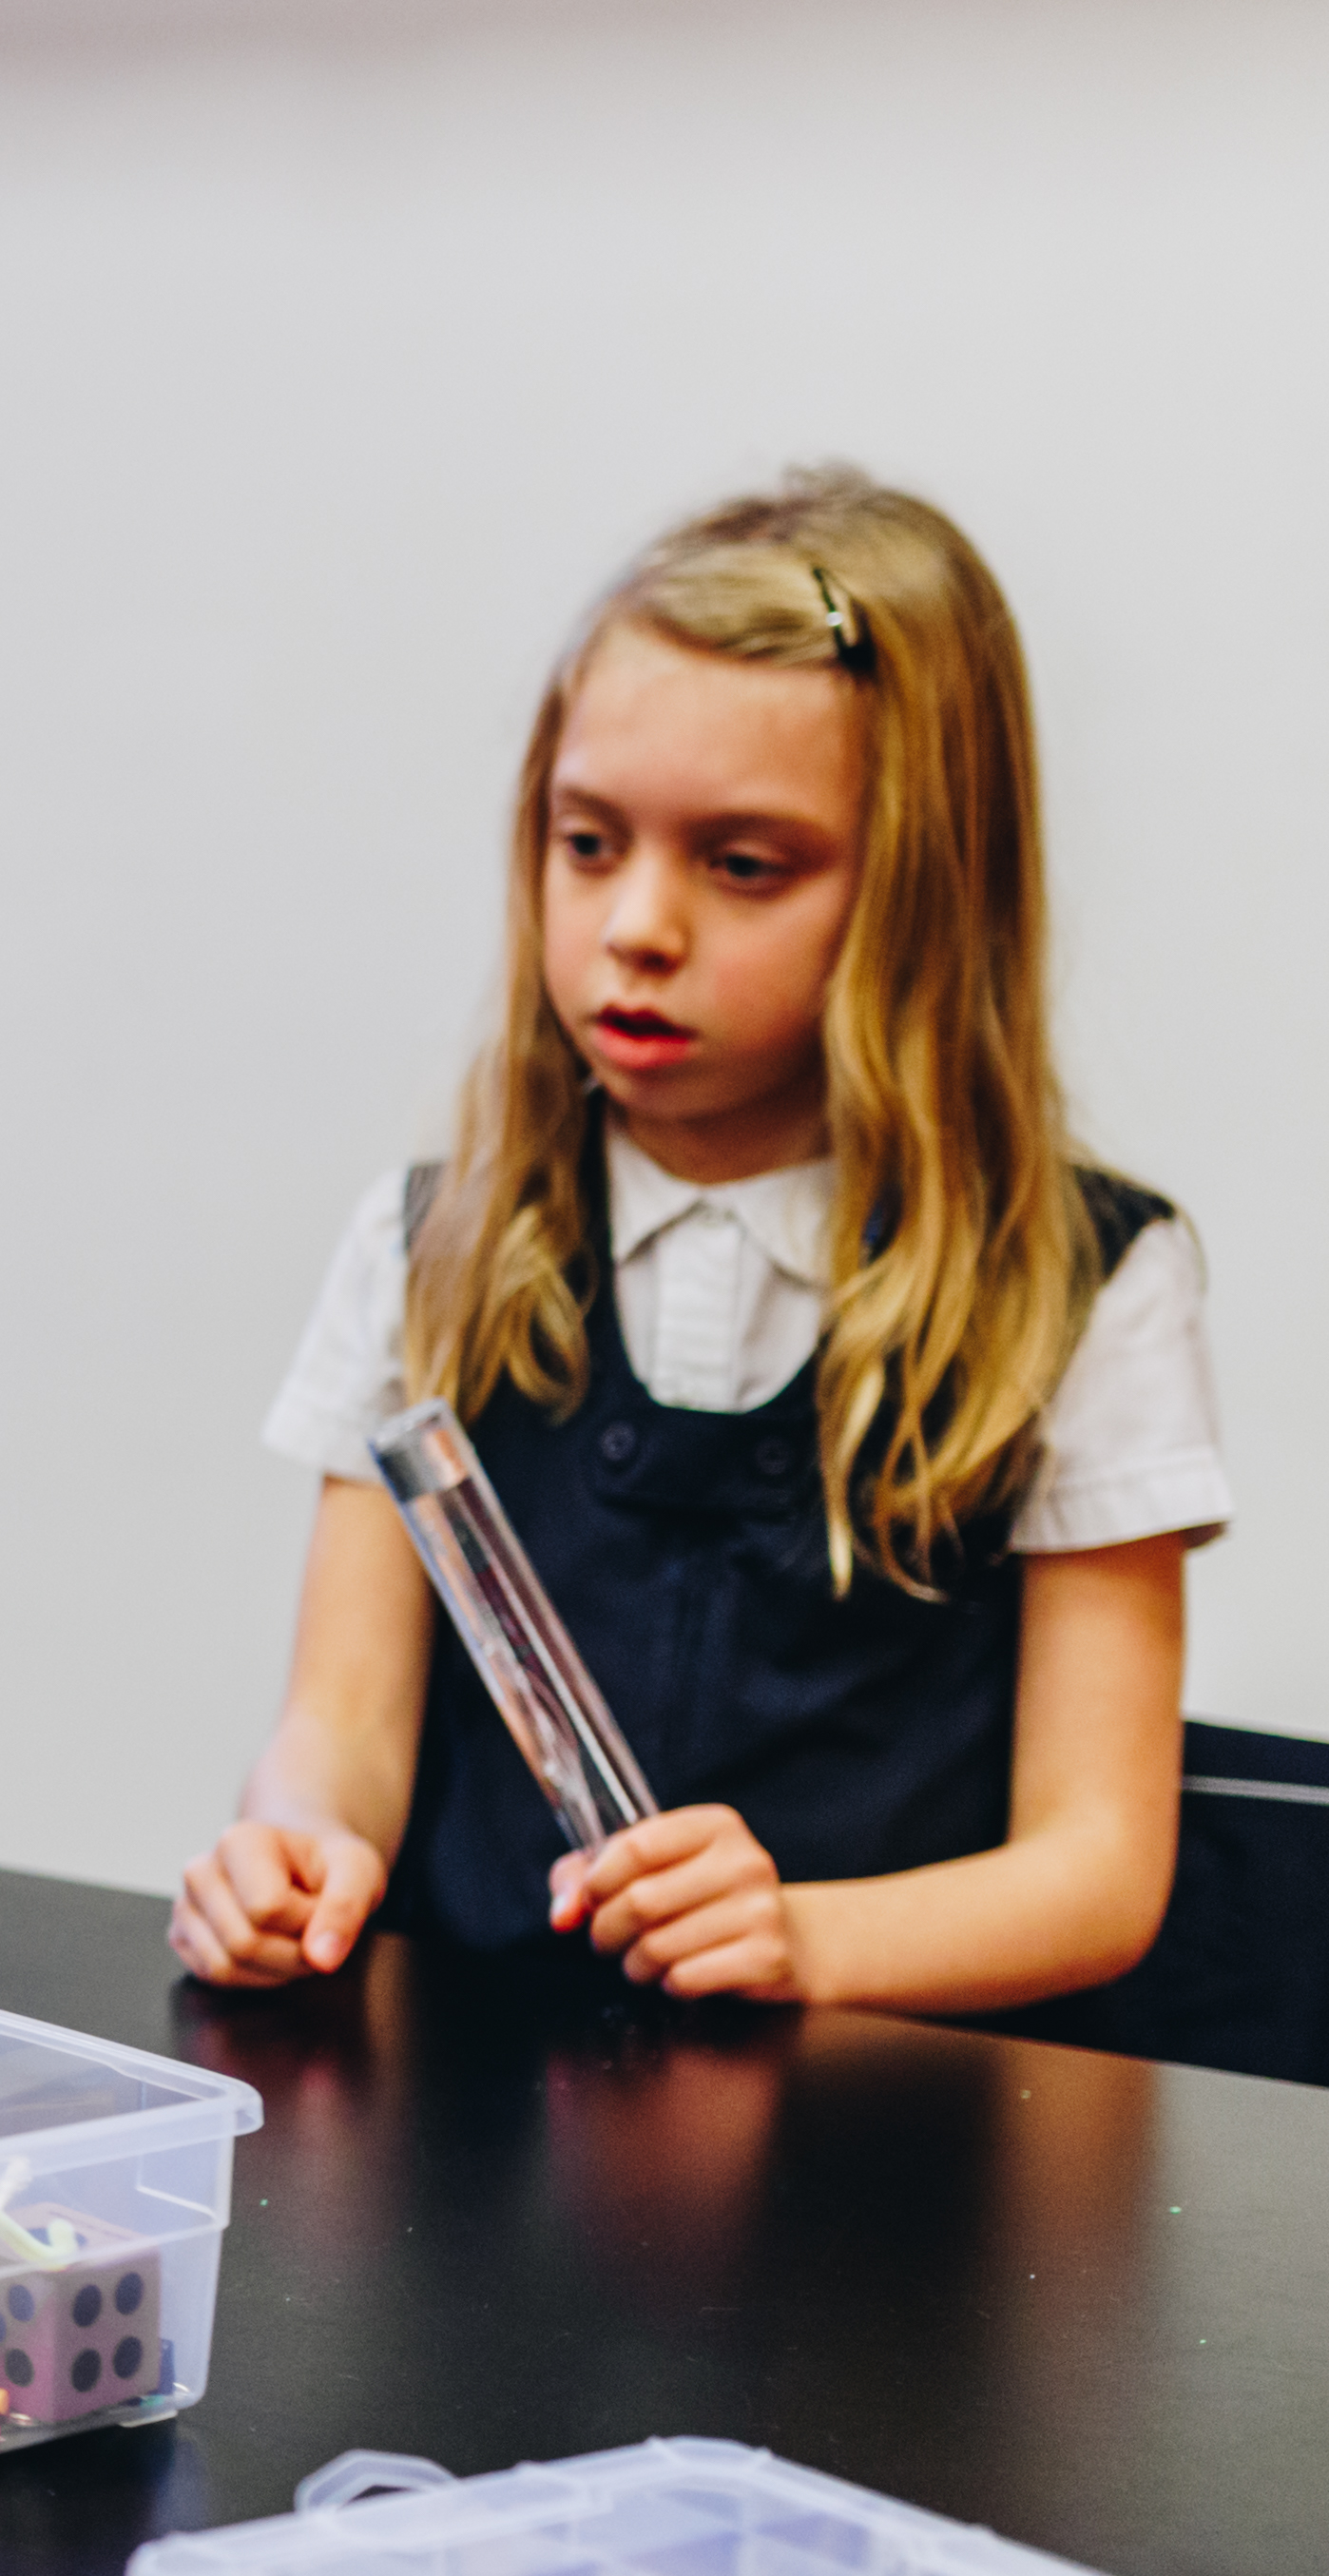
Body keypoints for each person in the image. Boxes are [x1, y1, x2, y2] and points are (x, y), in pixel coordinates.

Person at [177, 470, 1224, 2009]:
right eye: (587, 842)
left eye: (741, 865)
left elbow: (1094, 1869)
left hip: (875, 2186)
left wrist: (804, 1940)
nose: (635, 927)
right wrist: (295, 1842)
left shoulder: (1087, 1286)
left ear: (920, 896)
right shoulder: (431, 1244)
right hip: (467, 2164)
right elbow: (340, 1727)